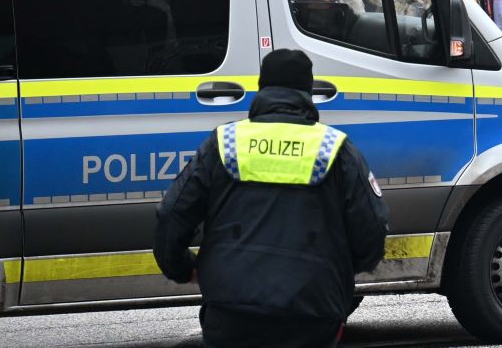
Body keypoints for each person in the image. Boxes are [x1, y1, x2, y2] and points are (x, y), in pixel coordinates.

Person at [153, 49, 388, 346]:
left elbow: (171, 215)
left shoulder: (224, 142)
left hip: (231, 309)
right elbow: (373, 229)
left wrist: (183, 268)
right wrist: (338, 271)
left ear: (262, 88)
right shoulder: (335, 149)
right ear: (308, 91)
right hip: (311, 310)